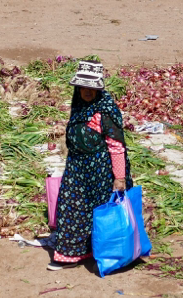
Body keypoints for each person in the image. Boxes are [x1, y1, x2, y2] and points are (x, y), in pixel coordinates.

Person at [50, 62, 132, 271]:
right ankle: (70, 255)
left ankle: (107, 254)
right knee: (72, 208)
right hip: (77, 168)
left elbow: (116, 146)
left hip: (101, 170)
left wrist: (119, 177)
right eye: (83, 87)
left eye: (92, 88)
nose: (87, 91)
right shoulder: (78, 106)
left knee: (102, 211)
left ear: (99, 88)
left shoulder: (104, 110)